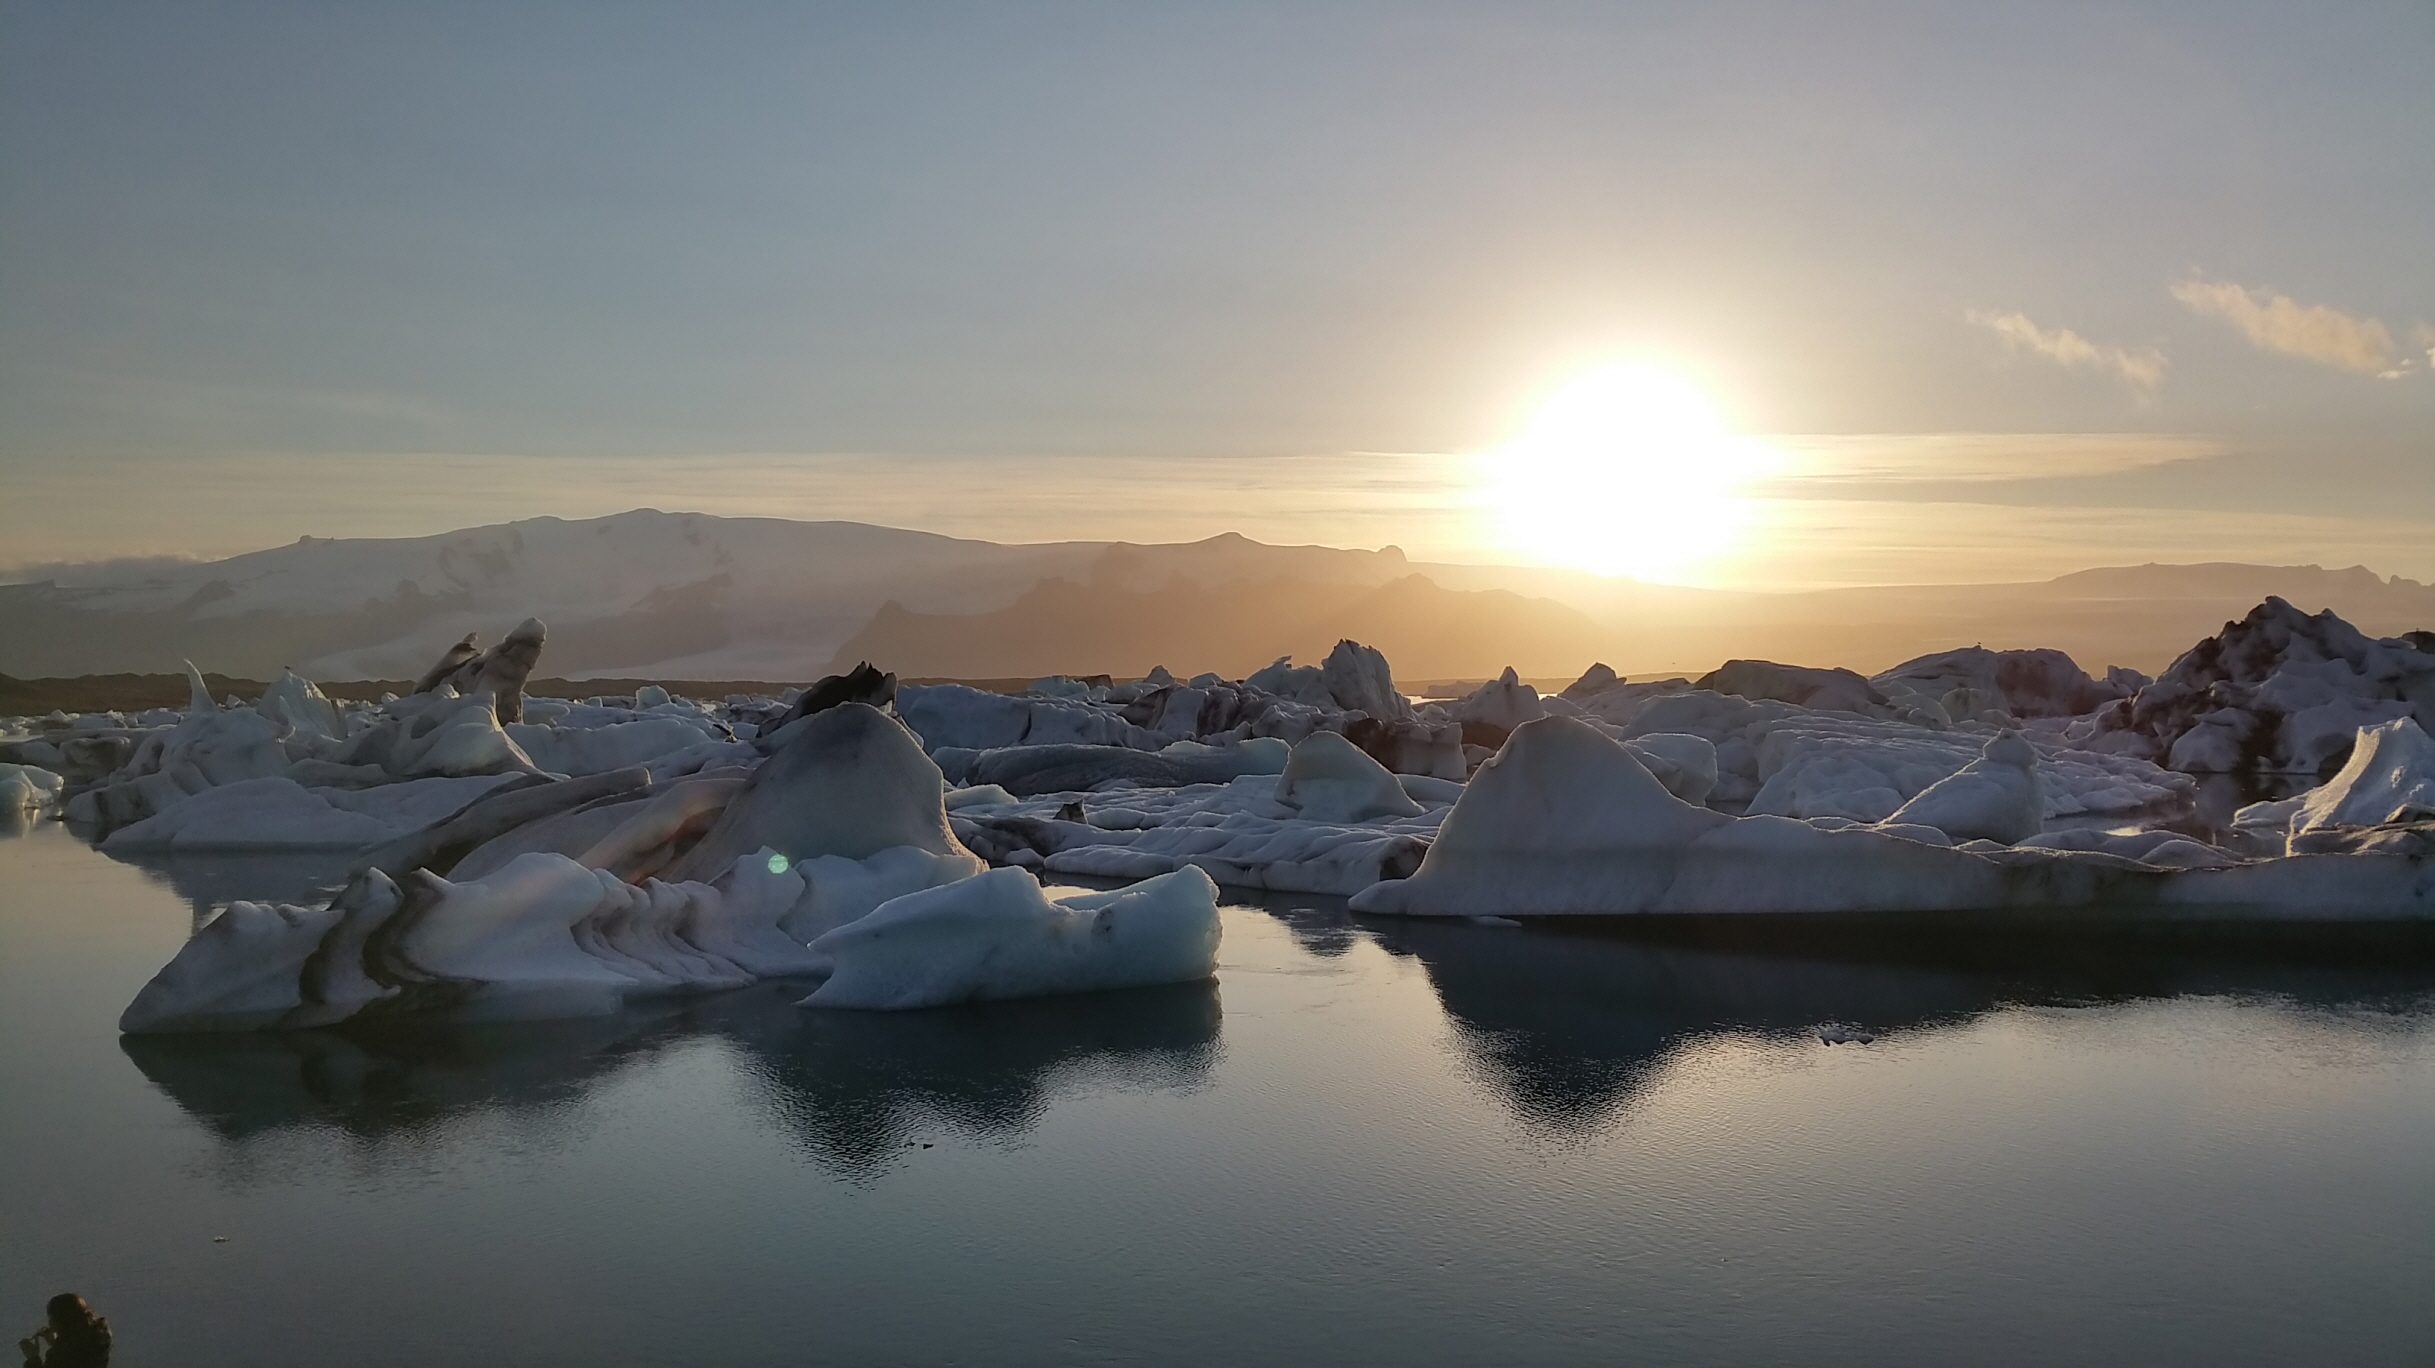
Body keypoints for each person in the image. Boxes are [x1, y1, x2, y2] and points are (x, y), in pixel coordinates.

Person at [18, 1294, 109, 1368]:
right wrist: (56, 1343)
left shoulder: (61, 1357)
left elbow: (66, 1359)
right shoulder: (98, 1338)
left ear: (61, 1322)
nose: (49, 1322)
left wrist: (33, 1358)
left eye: (51, 1318)